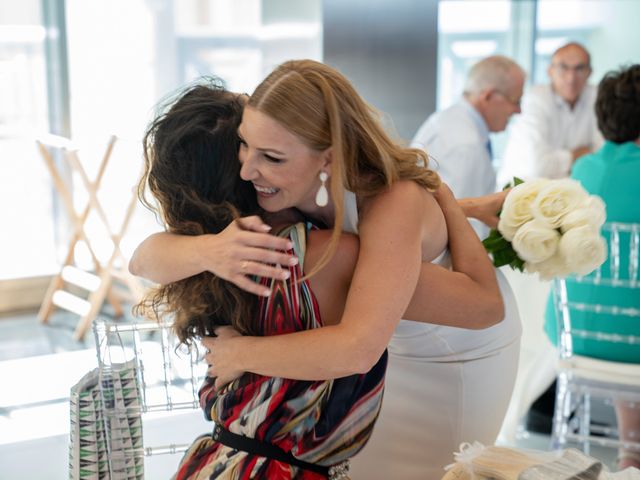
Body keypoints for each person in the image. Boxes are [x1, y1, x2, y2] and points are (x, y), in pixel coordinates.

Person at [131, 60, 521, 479]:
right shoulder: (286, 193)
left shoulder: (374, 219)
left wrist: (238, 353)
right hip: (375, 342)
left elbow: (480, 308)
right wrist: (211, 249)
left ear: (326, 160)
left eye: (271, 155)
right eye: (245, 144)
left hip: (452, 348)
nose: (248, 168)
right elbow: (142, 259)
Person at [543, 64, 640, 470]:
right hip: (631, 340)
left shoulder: (582, 171)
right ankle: (631, 448)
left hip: (575, 335)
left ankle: (630, 449)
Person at [411, 55, 525, 238]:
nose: (519, 111)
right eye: (516, 101)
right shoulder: (466, 146)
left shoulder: (450, 121)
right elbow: (460, 223)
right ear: (488, 96)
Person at [499, 42, 603, 185]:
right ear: (550, 71)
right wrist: (578, 154)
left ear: (589, 72)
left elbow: (605, 156)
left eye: (579, 69)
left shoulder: (597, 97)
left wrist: (557, 160)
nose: (571, 78)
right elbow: (538, 166)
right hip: (519, 193)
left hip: (570, 194)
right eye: (563, 68)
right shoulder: (534, 100)